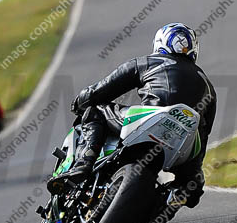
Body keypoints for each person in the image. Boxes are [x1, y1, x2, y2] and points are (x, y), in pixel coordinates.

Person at [48, 23, 216, 208]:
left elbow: (99, 91)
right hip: (184, 140)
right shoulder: (208, 85)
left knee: (93, 110)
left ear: (160, 43)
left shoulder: (149, 62)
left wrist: (80, 101)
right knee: (191, 187)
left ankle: (83, 163)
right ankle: (165, 205)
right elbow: (204, 134)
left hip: (151, 120)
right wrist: (194, 174)